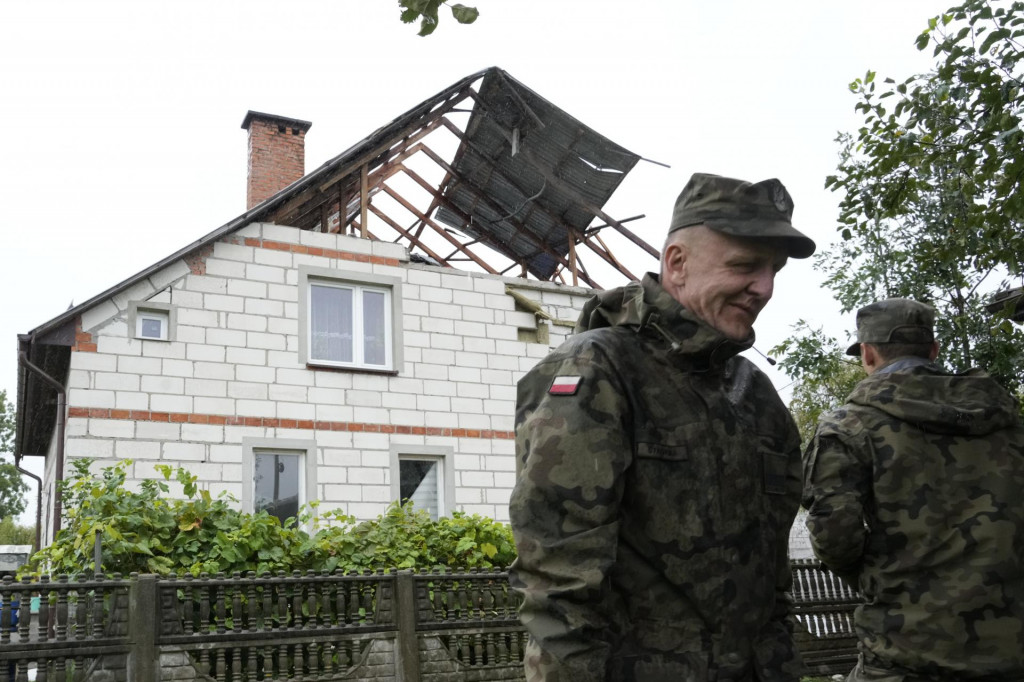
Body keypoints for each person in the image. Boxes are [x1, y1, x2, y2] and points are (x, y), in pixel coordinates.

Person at [509, 172, 816, 681]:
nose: (764, 288)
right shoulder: (599, 369)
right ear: (677, 263)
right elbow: (558, 585)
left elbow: (772, 577)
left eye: (774, 271)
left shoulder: (754, 393)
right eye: (744, 266)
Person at [803, 298, 1024, 681]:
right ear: (934, 350)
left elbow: (834, 537)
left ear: (867, 354)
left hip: (905, 653)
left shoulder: (850, 427)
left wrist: (889, 579)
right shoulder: (1007, 421)